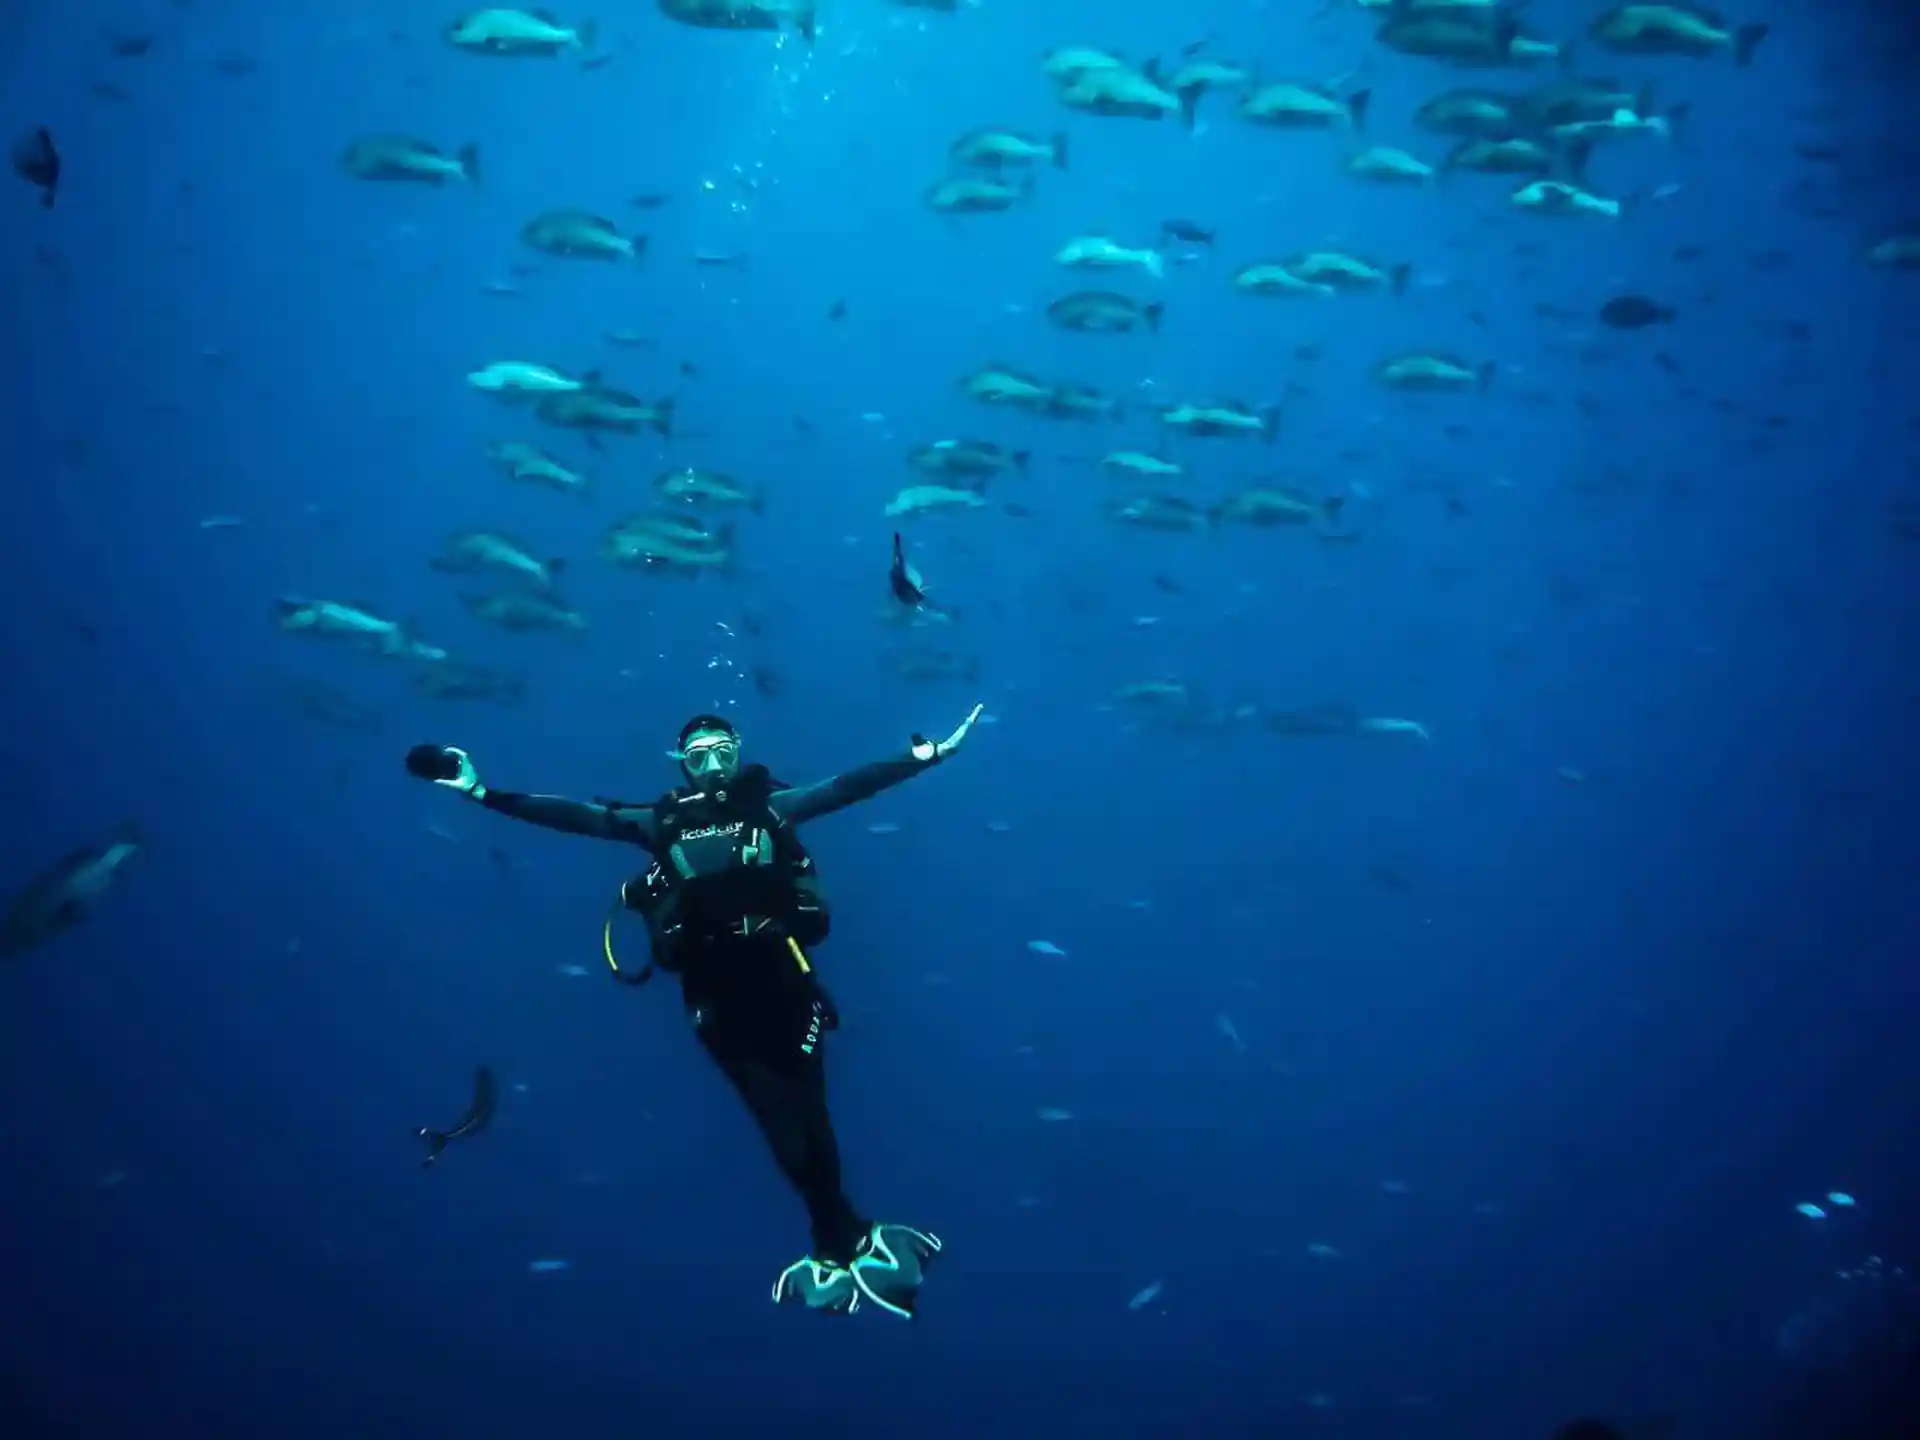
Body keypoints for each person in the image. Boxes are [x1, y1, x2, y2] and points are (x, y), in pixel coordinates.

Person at [410, 703, 985, 1319]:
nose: (712, 765)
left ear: (739, 752)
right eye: (698, 754)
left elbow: (844, 788)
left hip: (787, 986)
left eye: (722, 752)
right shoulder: (662, 822)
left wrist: (922, 757)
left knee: (813, 1116)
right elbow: (578, 816)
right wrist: (480, 791)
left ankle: (836, 1237)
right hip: (715, 1000)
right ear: (680, 764)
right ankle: (842, 1236)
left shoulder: (769, 807)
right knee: (777, 1122)